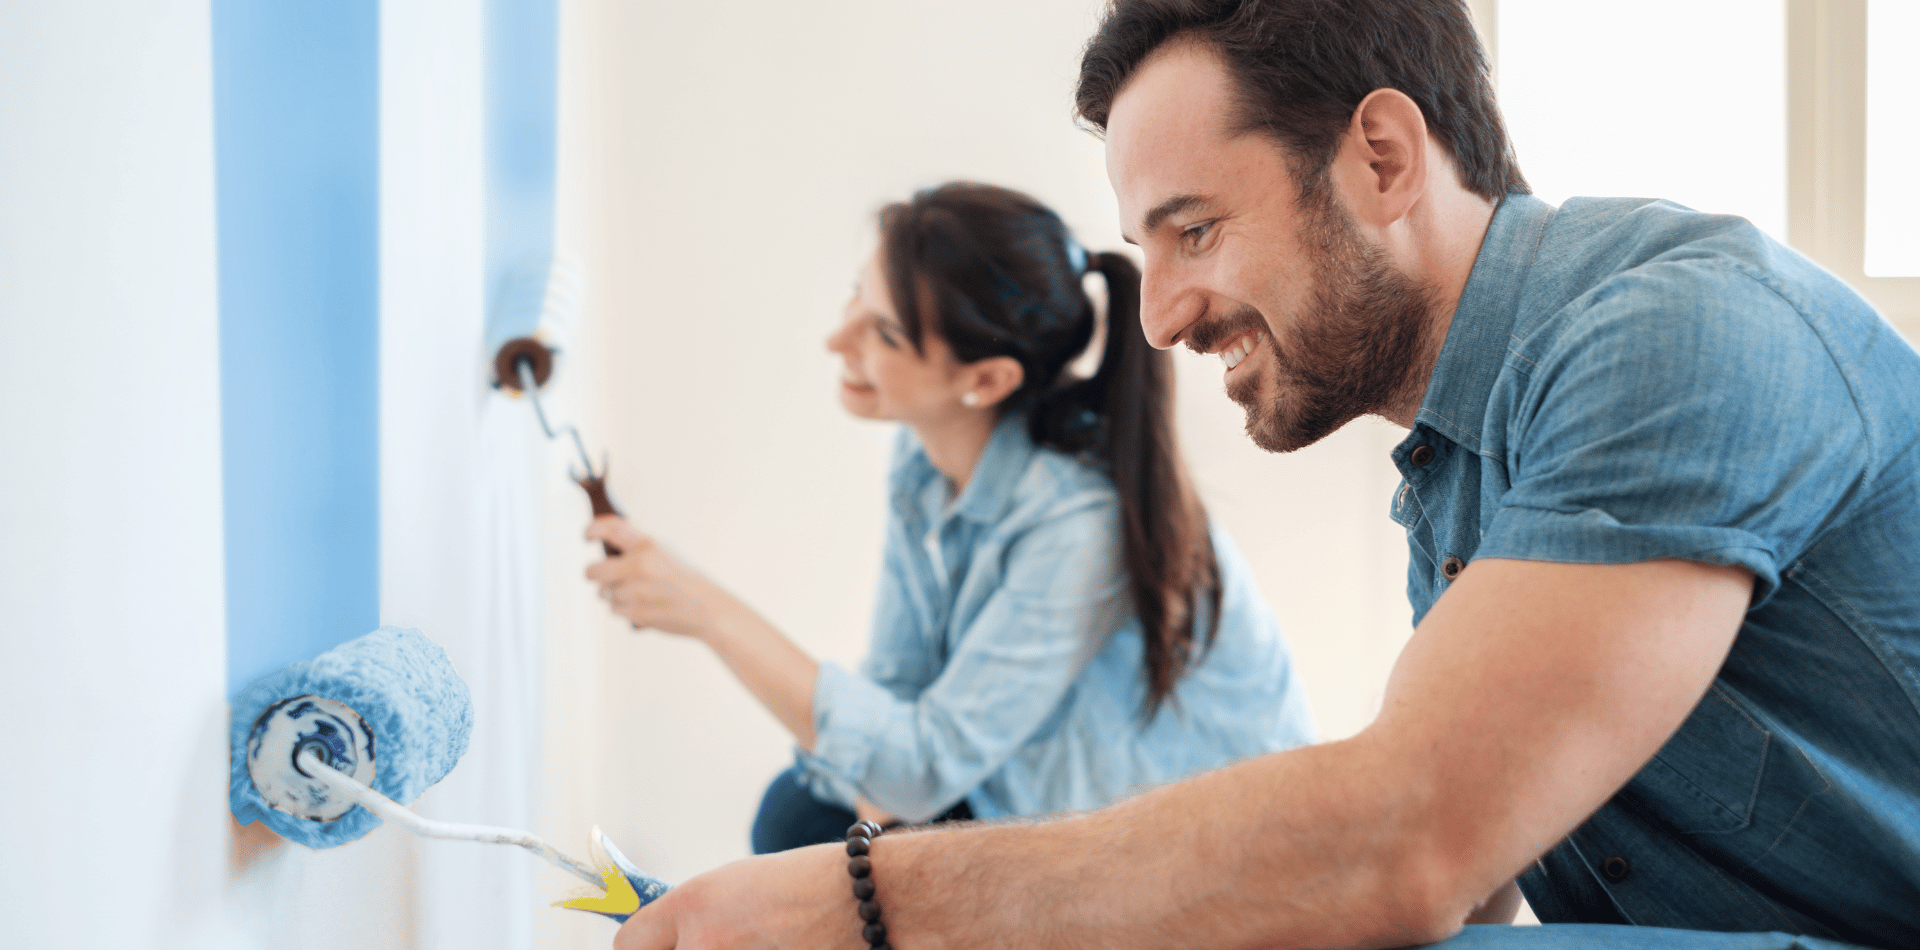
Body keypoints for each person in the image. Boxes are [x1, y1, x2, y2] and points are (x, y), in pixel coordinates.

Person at [607, 1, 1920, 949]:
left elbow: (1407, 842)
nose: (1163, 315)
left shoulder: (1677, 335)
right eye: (1146, 247)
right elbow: (1464, 871)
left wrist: (871, 898)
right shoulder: (1455, 471)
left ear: (1383, 158)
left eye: (1197, 230)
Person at [585, 181, 1315, 854]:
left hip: (1192, 852)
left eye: (886, 335)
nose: (838, 341)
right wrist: (888, 780)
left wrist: (708, 613)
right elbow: (901, 691)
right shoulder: (924, 460)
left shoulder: (1079, 525)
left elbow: (921, 767)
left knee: (811, 830)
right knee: (803, 814)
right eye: (854, 299)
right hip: (1025, 787)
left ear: (987, 380)